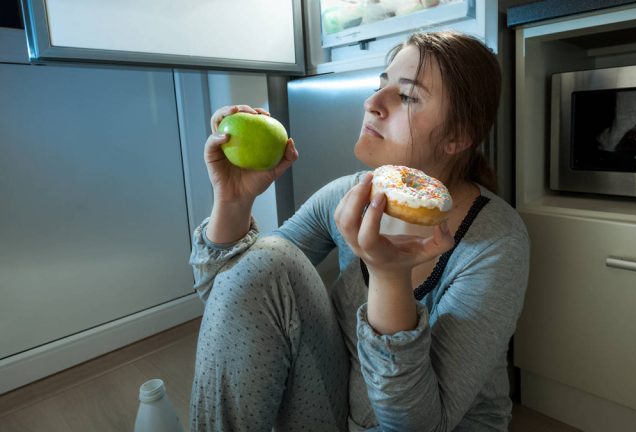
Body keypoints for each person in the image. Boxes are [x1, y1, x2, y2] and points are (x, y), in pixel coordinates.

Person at [189, 30, 530, 431]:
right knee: (267, 258)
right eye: (380, 85)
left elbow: (419, 425)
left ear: (458, 136)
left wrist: (389, 277)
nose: (372, 103)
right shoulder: (348, 194)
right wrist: (233, 200)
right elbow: (231, 297)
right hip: (342, 404)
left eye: (406, 96)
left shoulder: (496, 242)